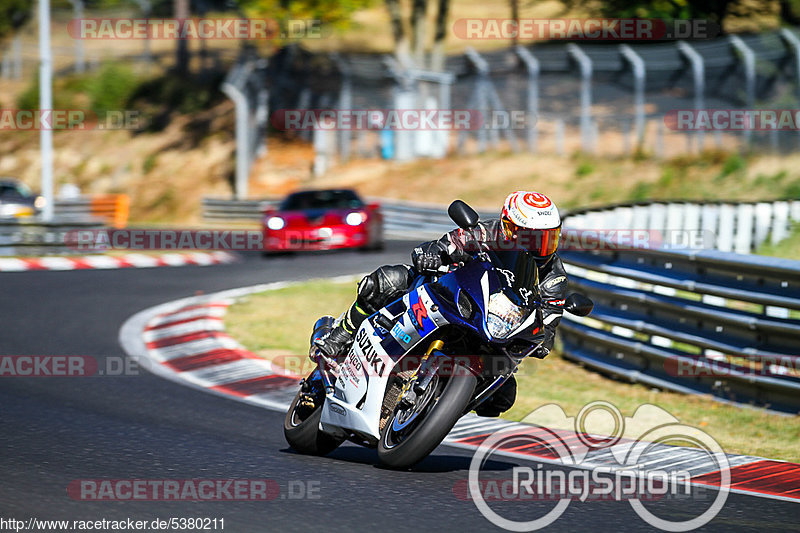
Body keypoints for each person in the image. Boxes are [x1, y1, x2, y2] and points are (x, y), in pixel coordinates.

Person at [314, 191, 568, 417]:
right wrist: (433, 253)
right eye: (532, 239)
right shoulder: (487, 233)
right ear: (508, 228)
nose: (539, 248)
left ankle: (436, 408)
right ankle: (339, 337)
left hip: (497, 330)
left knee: (503, 397)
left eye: (547, 239)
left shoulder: (554, 278)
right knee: (386, 281)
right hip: (456, 298)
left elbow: (549, 319)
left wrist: (542, 341)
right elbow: (451, 244)